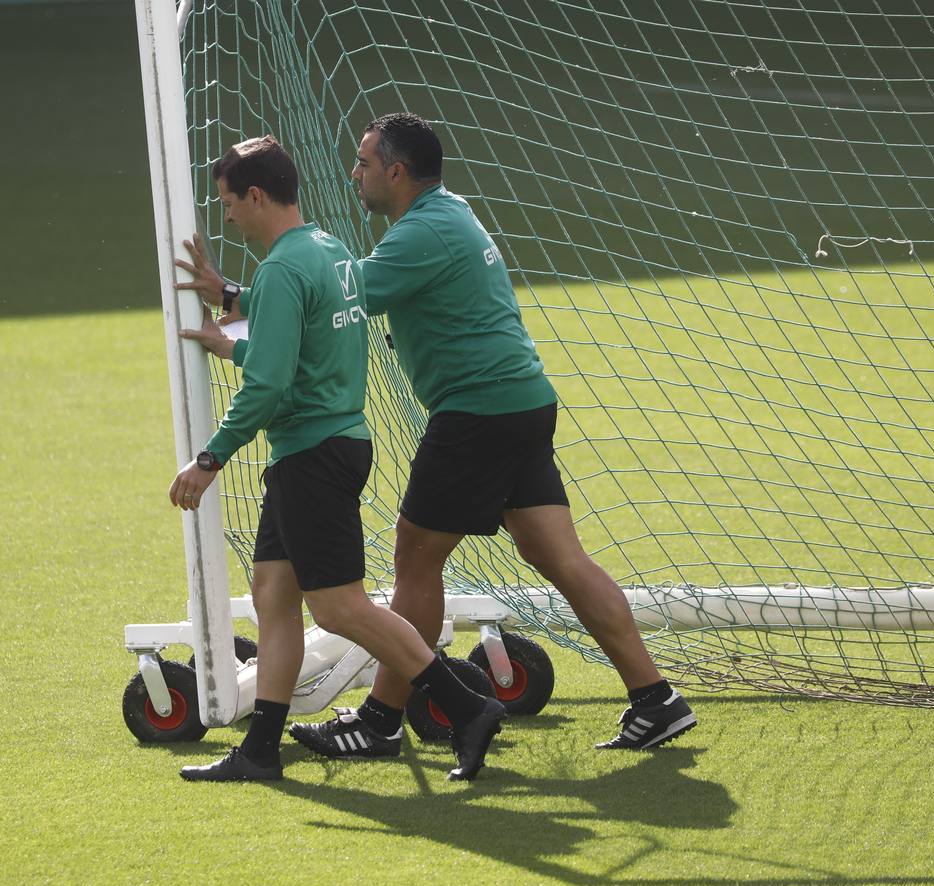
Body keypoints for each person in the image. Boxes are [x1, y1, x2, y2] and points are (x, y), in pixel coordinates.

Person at [181, 115, 695, 760]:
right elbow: (327, 289)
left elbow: (339, 296)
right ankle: (655, 700)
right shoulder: (449, 214)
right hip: (522, 402)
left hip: (476, 412)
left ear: (396, 172)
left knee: (416, 558)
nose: (355, 173)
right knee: (557, 557)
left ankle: (381, 719)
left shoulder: (420, 234)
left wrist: (234, 297)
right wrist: (241, 298)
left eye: (364, 162)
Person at [167, 135, 505, 783]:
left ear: (257, 196)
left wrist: (208, 462)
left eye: (230, 203)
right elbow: (302, 350)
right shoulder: (330, 252)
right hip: (327, 445)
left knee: (339, 608)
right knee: (272, 594)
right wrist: (230, 333)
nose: (227, 216)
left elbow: (269, 387)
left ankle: (467, 706)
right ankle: (261, 751)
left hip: (312, 456)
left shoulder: (285, 268)